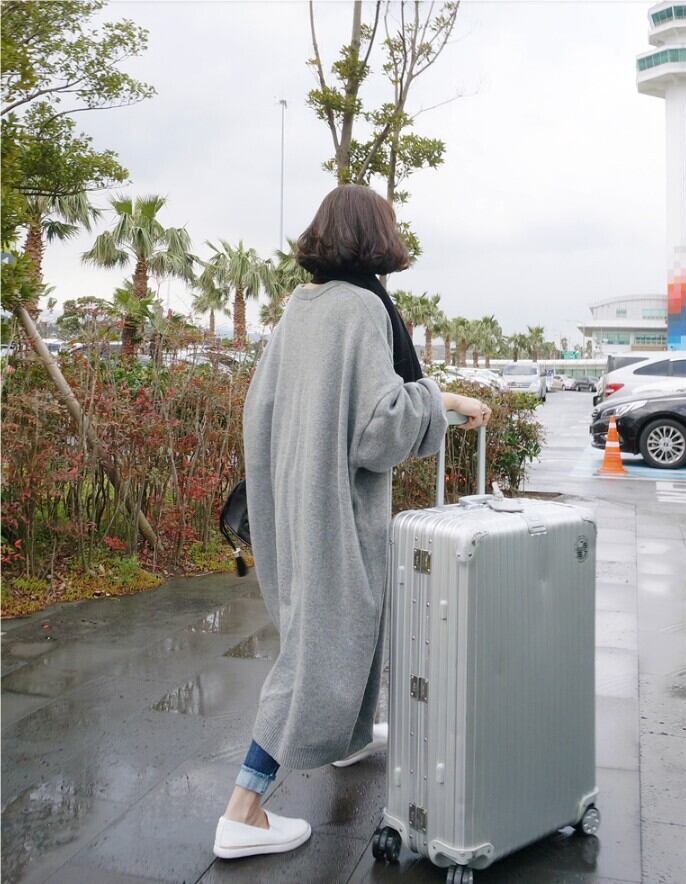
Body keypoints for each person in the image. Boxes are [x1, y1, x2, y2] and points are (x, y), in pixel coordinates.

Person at [213, 184, 491, 859]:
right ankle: (242, 811)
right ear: (377, 237)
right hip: (334, 509)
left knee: (323, 635)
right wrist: (443, 399)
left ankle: (347, 739)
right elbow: (377, 430)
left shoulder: (301, 306)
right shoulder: (364, 307)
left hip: (295, 500)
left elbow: (262, 408)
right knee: (314, 652)